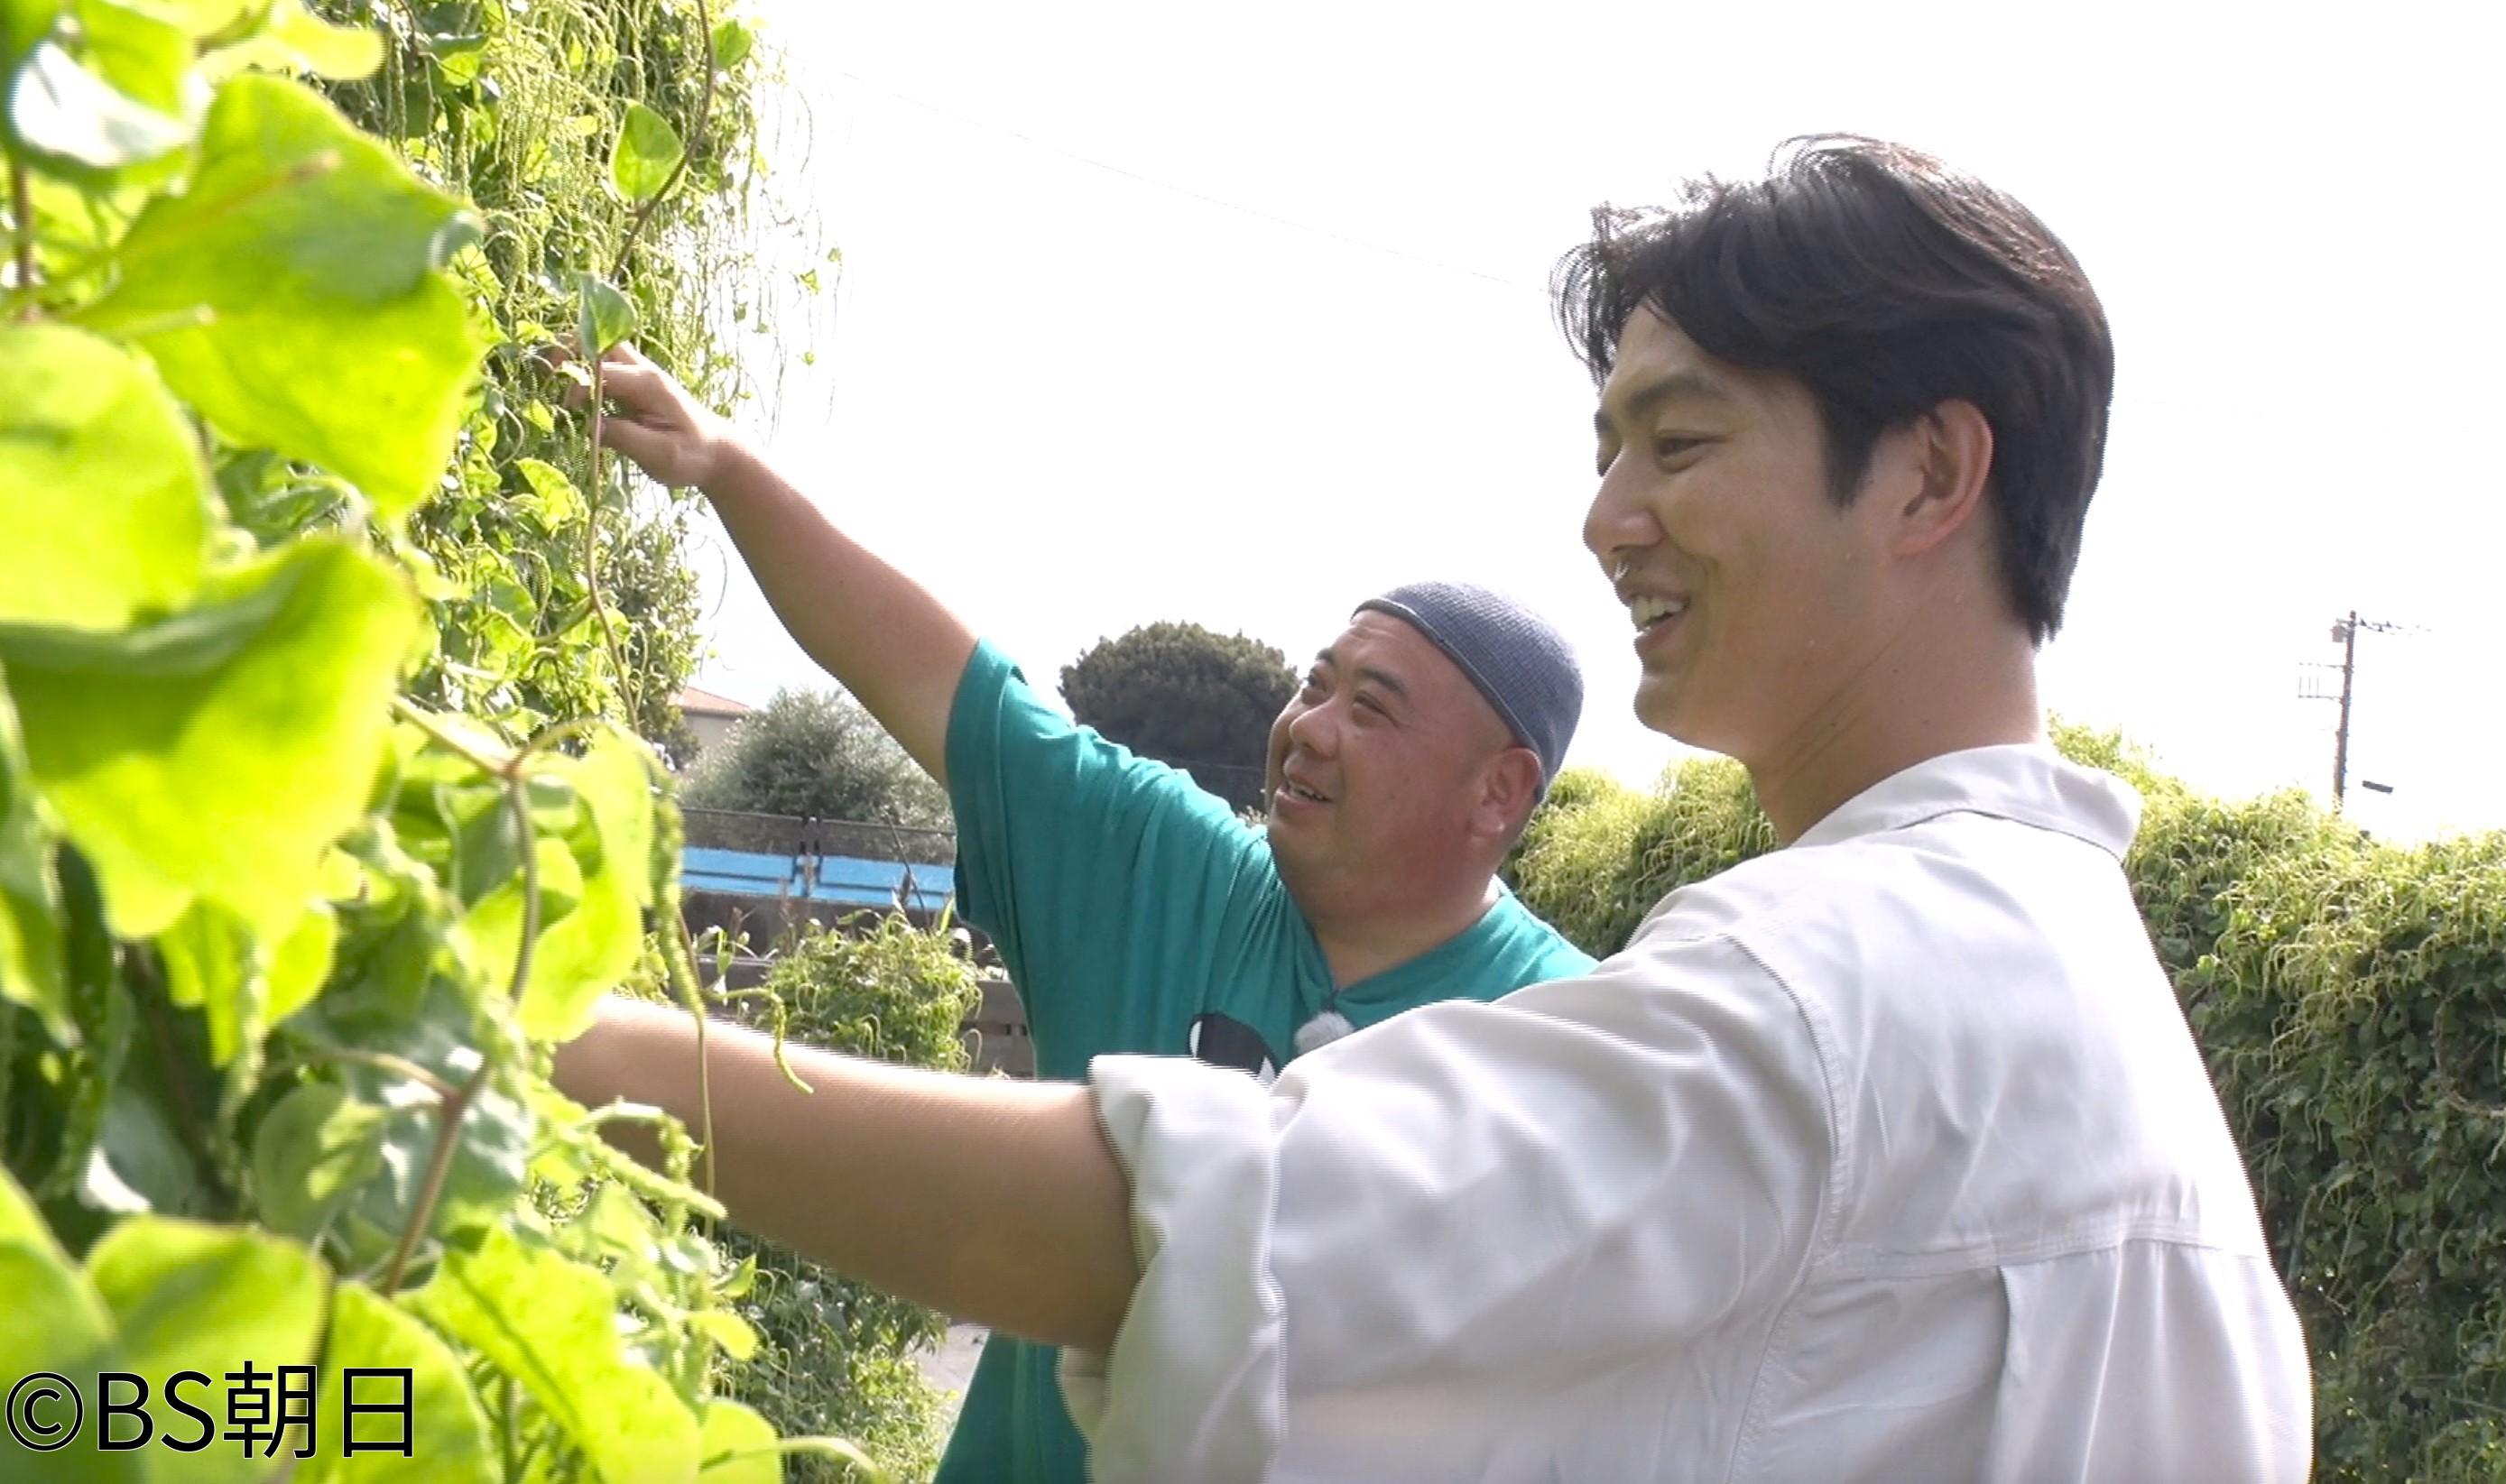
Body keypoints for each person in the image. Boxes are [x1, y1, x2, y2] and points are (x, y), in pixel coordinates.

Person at [557, 134, 2315, 1481]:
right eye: (1608, 448)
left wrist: (526, 1047)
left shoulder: (1835, 981)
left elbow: (1202, 1240)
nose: (1609, 515)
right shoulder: (2093, 1026)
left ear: (1931, 470)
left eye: (1682, 444)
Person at [575, 347, 1597, 1481]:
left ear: (1499, 791)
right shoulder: (1166, 870)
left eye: (1373, 709)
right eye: (1315, 684)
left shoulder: (1568, 1032)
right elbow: (952, 686)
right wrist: (725, 465)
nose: (1309, 727)